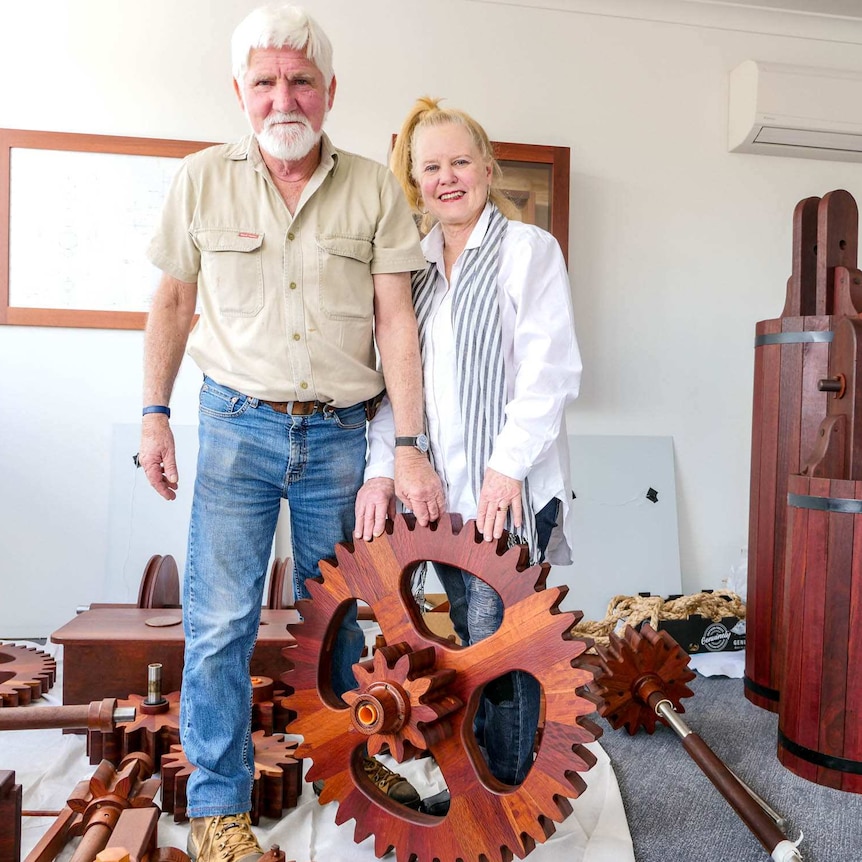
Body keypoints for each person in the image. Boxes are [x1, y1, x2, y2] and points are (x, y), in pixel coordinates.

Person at [139, 8, 444, 861]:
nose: (285, 96)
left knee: (350, 619)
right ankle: (219, 811)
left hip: (343, 439)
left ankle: (351, 778)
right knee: (220, 624)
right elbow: (172, 304)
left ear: (330, 92)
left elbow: (396, 321)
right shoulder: (200, 180)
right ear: (240, 91)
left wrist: (409, 443)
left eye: (301, 80)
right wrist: (153, 414)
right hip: (235, 428)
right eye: (267, 81)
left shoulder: (375, 190)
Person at [356, 97, 582, 797]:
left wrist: (504, 469)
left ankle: (504, 800)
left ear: (488, 167)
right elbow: (394, 387)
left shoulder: (528, 252)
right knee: (459, 649)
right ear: (415, 182)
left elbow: (551, 373)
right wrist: (381, 471)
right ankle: (473, 782)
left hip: (508, 496)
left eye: (460, 161)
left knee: (501, 652)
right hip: (442, 501)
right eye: (432, 167)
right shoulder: (409, 269)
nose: (448, 177)